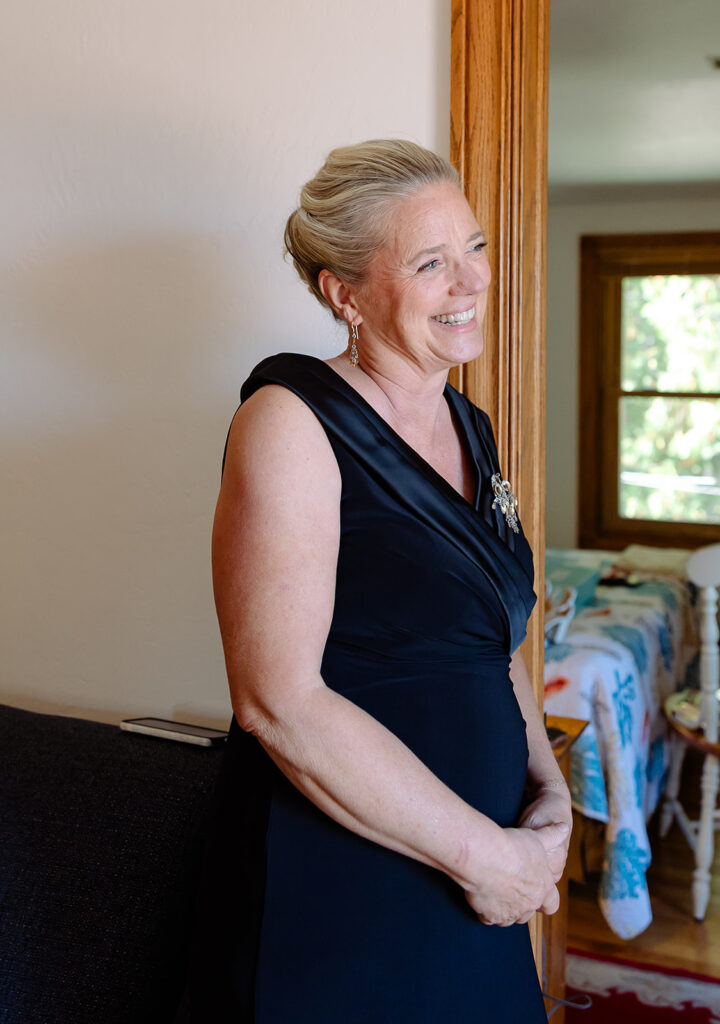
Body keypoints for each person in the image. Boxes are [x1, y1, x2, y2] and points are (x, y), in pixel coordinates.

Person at [180, 139, 572, 1023]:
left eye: (473, 247)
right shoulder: (288, 421)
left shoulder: (470, 427)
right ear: (344, 293)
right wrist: (488, 857)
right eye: (430, 263)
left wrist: (546, 788)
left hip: (480, 871)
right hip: (348, 882)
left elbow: (493, 637)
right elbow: (277, 702)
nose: (470, 281)